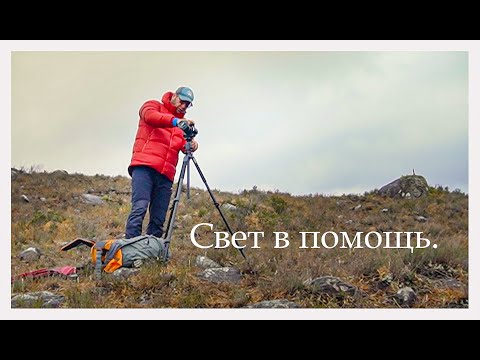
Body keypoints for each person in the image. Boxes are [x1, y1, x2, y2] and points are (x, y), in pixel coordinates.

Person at [125, 86, 199, 239]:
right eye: (183, 101)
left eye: (188, 104)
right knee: (140, 207)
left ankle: (152, 253)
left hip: (166, 174)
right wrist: (175, 121)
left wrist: (191, 145)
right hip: (144, 166)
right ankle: (129, 247)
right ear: (174, 96)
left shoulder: (181, 125)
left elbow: (181, 147)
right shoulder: (153, 106)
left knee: (159, 217)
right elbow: (150, 116)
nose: (184, 106)